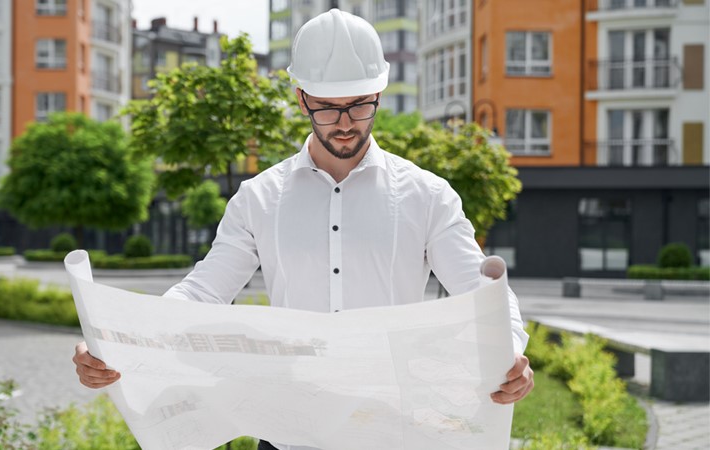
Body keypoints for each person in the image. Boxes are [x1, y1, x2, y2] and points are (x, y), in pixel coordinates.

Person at [73, 8, 534, 450]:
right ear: (301, 99)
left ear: (379, 95)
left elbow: (482, 293)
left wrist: (509, 352)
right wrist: (120, 343)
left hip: (392, 435)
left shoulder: (427, 196)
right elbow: (201, 294)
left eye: (360, 106)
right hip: (287, 436)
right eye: (328, 109)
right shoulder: (258, 198)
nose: (346, 124)